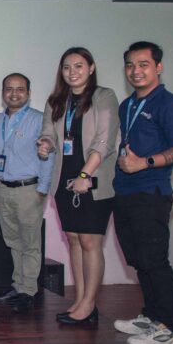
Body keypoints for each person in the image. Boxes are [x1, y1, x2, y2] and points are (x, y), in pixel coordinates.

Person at [112, 42, 173, 344]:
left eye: (143, 64)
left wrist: (144, 163)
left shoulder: (169, 104)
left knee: (155, 261)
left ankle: (170, 330)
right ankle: (152, 317)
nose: (136, 71)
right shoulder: (127, 105)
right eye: (130, 65)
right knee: (139, 260)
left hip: (150, 192)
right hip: (125, 191)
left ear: (158, 67)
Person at [37, 47, 119, 327]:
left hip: (93, 179)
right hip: (64, 178)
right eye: (67, 67)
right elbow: (48, 132)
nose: (72, 72)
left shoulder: (104, 96)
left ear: (91, 68)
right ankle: (82, 300)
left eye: (79, 66)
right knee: (73, 238)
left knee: (90, 241)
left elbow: (104, 141)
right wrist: (45, 144)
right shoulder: (56, 101)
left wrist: (86, 174)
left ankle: (89, 303)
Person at [0, 73, 54, 314]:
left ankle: (28, 291)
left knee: (30, 243)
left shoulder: (39, 120)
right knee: (13, 241)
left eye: (20, 89)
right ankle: (18, 285)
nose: (14, 94)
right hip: (3, 188)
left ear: (28, 93)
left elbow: (50, 154)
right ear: (2, 93)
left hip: (28, 189)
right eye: (9, 89)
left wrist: (42, 189)